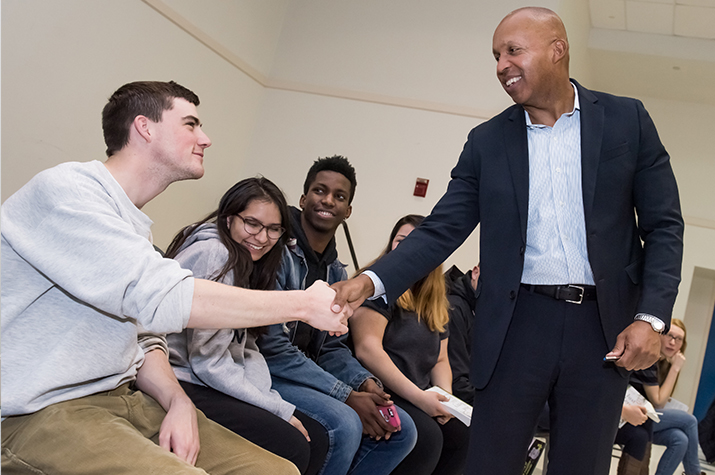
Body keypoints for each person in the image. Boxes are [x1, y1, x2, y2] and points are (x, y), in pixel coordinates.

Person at [331, 7, 684, 475]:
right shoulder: (486, 142)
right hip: (516, 326)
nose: (501, 65)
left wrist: (652, 318)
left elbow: (663, 225)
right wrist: (371, 281)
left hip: (602, 331)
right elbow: (441, 229)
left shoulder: (627, 120)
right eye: (496, 55)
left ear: (557, 50)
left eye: (513, 51)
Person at [1, 81, 349, 475]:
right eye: (190, 124)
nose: (206, 139)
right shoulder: (66, 191)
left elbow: (145, 335)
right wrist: (302, 303)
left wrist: (178, 401)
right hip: (34, 414)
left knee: (278, 470)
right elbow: (165, 298)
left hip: (120, 398)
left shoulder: (131, 224)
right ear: (145, 128)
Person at [257, 156, 417, 475]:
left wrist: (366, 383)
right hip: (266, 370)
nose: (328, 200)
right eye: (320, 190)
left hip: (306, 372)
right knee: (344, 423)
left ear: (348, 211)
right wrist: (346, 395)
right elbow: (271, 347)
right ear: (303, 199)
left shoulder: (337, 272)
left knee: (403, 430)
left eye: (339, 196)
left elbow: (331, 347)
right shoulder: (277, 253)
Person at [165, 177, 329, 475]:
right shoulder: (216, 255)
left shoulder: (248, 261)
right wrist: (274, 407)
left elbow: (248, 344)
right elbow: (208, 362)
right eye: (252, 223)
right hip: (181, 378)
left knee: (314, 435)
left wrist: (269, 399)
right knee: (296, 443)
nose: (262, 237)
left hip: (206, 375)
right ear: (229, 218)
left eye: (273, 229)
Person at [350, 214, 470, 475]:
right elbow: (367, 349)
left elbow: (440, 359)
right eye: (401, 241)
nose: (409, 251)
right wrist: (420, 398)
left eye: (419, 246)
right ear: (391, 245)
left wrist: (445, 401)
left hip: (419, 394)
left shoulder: (436, 300)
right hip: (383, 391)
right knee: (427, 438)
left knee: (462, 435)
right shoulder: (377, 287)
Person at [642, 319, 705, 475]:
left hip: (648, 417)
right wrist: (675, 369)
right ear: (660, 336)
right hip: (632, 415)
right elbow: (658, 403)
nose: (672, 342)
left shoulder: (665, 363)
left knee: (680, 439)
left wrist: (673, 368)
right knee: (690, 420)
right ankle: (695, 473)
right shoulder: (649, 360)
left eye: (679, 339)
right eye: (670, 336)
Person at [444, 264, 480, 405]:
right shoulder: (454, 308)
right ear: (475, 273)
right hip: (462, 397)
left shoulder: (484, 309)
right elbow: (457, 382)